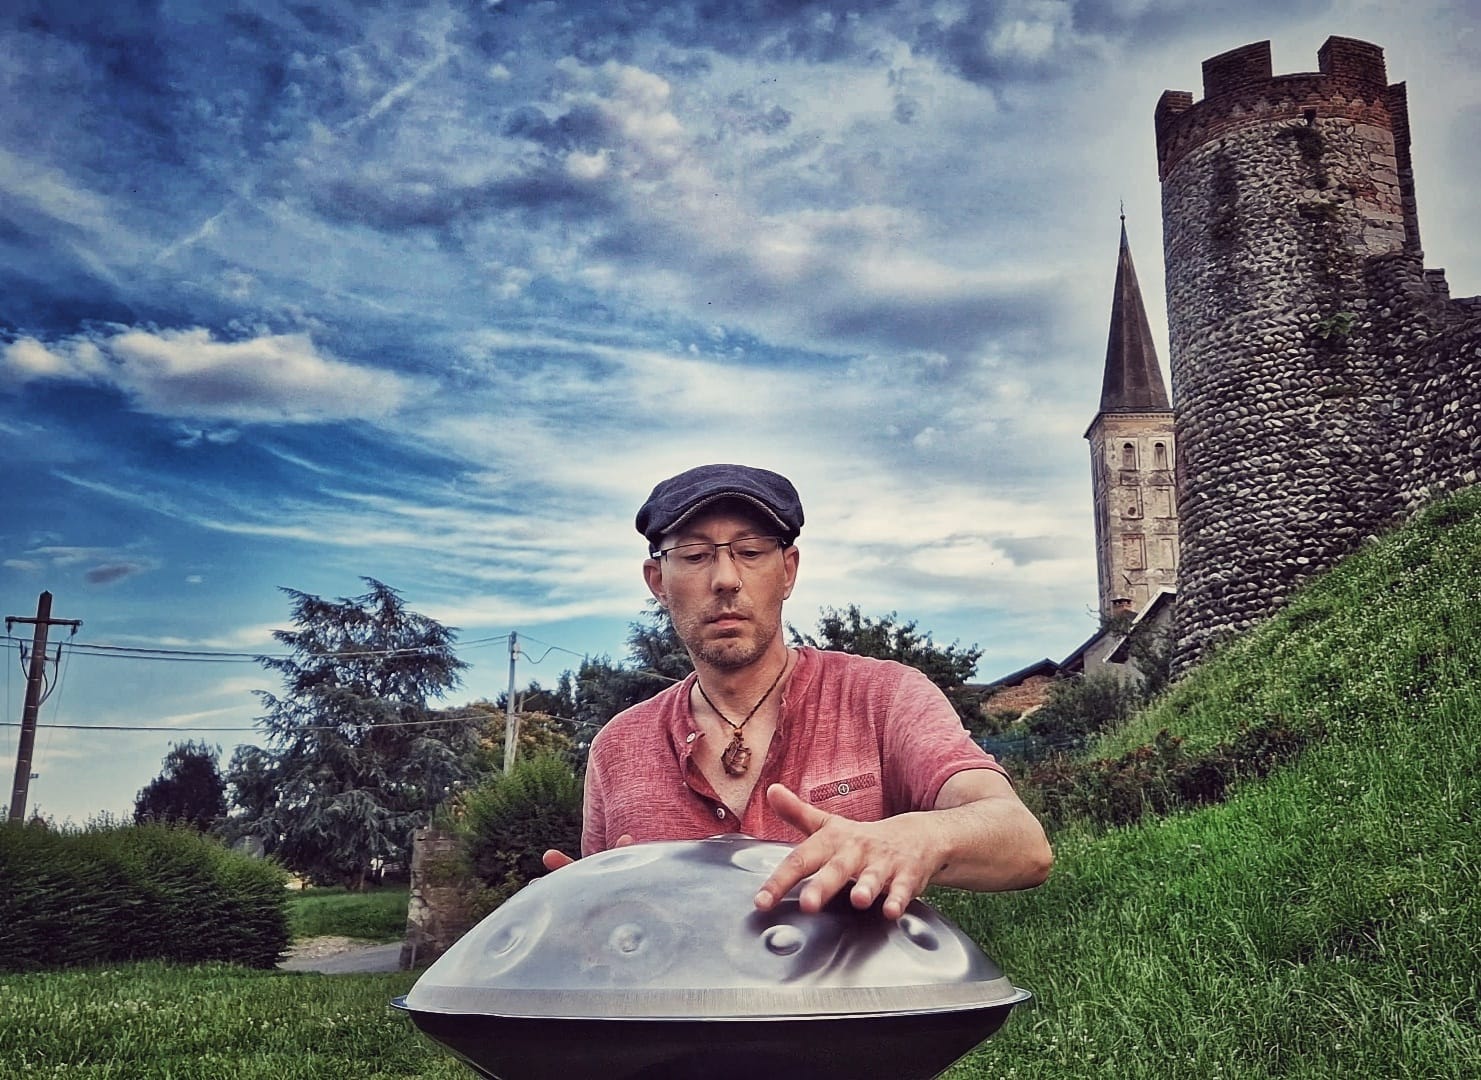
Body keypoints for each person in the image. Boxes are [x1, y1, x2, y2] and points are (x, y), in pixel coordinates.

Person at [544, 463, 1052, 919]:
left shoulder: (882, 696)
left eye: (749, 552)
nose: (725, 579)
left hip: (851, 1022)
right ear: (658, 581)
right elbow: (606, 932)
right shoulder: (618, 746)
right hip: (675, 1023)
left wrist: (917, 837)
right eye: (695, 555)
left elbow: (1022, 844)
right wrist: (582, 916)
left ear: (788, 571)